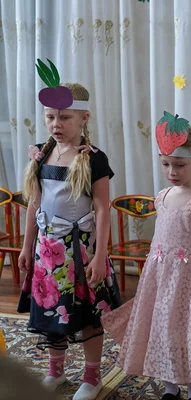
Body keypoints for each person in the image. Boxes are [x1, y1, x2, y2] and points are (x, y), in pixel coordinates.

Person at [101, 111, 191, 400]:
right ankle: (170, 387)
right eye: (166, 164)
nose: (172, 171)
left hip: (188, 280)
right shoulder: (162, 197)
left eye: (179, 165)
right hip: (161, 280)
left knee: (190, 334)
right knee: (162, 330)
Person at [18, 62, 121, 400]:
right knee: (51, 309)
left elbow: (103, 208)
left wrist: (101, 255)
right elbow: (34, 203)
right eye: (50, 117)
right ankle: (55, 370)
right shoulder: (41, 153)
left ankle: (91, 378)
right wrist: (25, 247)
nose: (56, 124)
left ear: (83, 119)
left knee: (88, 313)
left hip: (81, 250)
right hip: (46, 249)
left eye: (64, 118)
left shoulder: (92, 159)